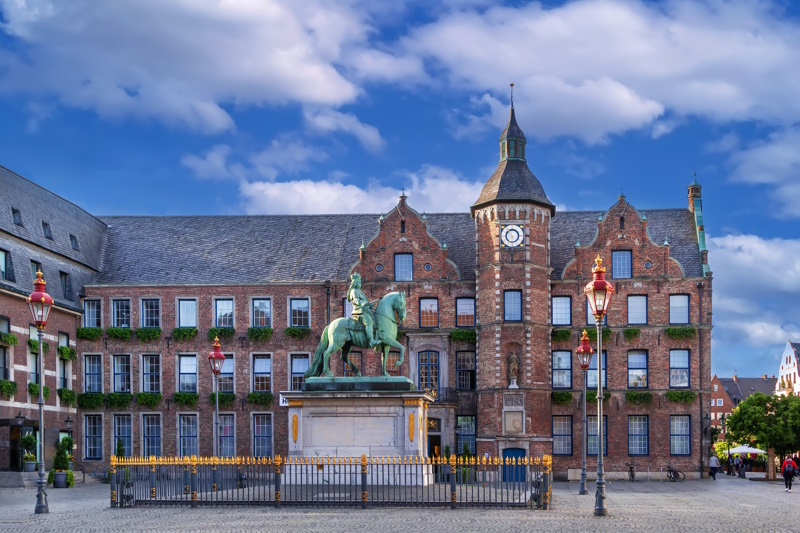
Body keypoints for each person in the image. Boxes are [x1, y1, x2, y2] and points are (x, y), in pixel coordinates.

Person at [347, 273, 380, 348]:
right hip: (359, 312)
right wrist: (362, 303)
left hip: (364, 311)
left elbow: (365, 303)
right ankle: (371, 340)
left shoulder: (359, 291)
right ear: (355, 283)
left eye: (360, 282)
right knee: (369, 322)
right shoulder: (354, 291)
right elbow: (355, 300)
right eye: (359, 282)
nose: (360, 284)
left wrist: (369, 305)